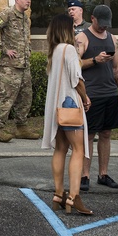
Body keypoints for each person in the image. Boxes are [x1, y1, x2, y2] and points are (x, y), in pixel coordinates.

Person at [41, 14, 92, 216]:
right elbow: (76, 79)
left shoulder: (54, 50)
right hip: (70, 103)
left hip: (56, 106)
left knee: (61, 149)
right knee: (78, 150)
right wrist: (86, 98)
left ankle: (58, 194)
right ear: (66, 29)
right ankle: (74, 196)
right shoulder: (69, 49)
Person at [76, 4, 118, 191]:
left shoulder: (112, 38)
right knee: (88, 135)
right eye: (101, 23)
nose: (103, 27)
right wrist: (95, 60)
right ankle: (84, 175)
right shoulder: (82, 38)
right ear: (93, 18)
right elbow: (75, 64)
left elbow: (116, 67)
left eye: (107, 24)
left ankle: (103, 174)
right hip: (92, 94)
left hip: (109, 93)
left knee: (106, 133)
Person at [0, 0, 35, 143]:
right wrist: (4, 49)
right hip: (10, 66)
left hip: (24, 65)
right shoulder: (7, 13)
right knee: (6, 96)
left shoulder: (25, 18)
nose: (28, 1)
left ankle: (22, 126)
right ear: (17, 0)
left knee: (26, 97)